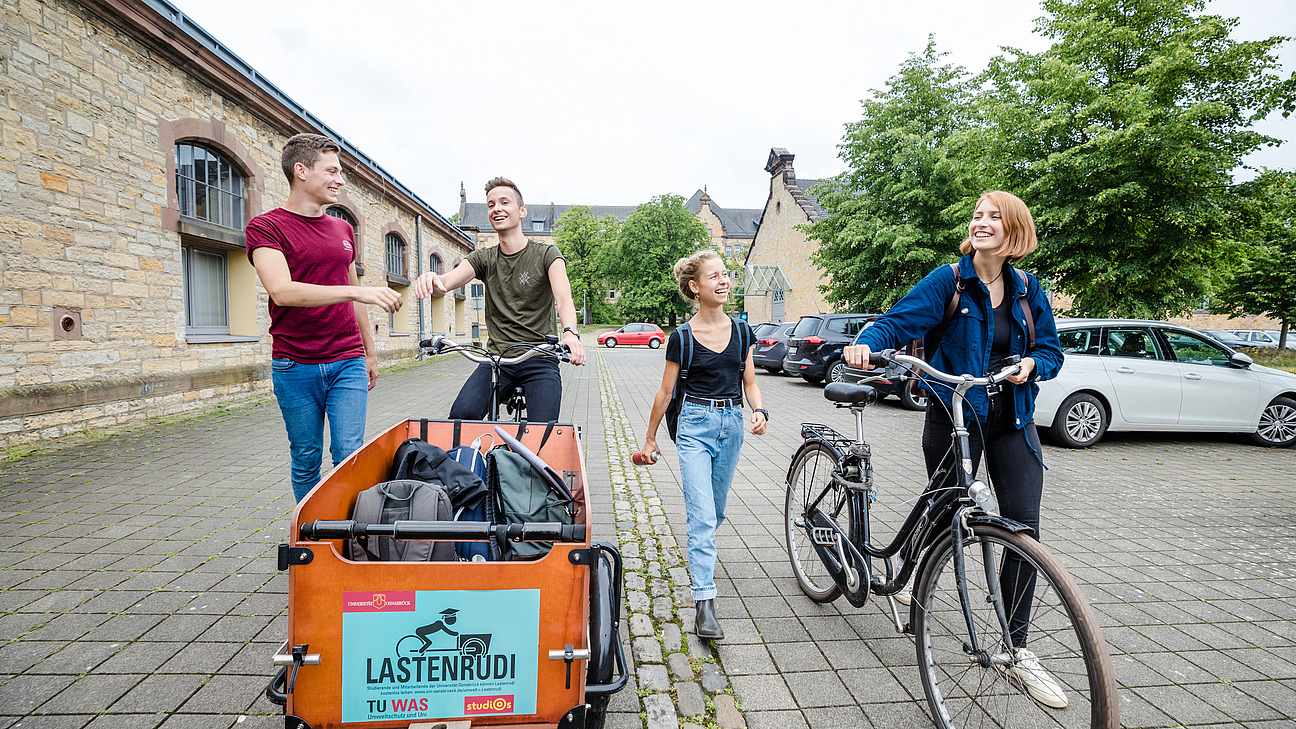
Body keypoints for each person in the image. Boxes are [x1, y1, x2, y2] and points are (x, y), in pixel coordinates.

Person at [843, 190, 1067, 707]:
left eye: (994, 217)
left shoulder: (1029, 288)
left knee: (1024, 529)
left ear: (1015, 230)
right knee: (945, 506)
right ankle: (910, 575)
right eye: (978, 216)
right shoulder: (949, 280)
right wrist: (868, 342)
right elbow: (899, 321)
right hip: (956, 415)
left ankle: (1016, 649)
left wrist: (1032, 366)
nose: (982, 222)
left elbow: (1050, 349)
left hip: (1012, 417)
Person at [247, 133, 403, 501]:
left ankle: (349, 539)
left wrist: (370, 352)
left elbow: (356, 301)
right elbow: (282, 291)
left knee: (350, 454)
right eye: (331, 170)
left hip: (347, 360)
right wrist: (356, 291)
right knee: (305, 458)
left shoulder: (342, 229)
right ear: (301, 171)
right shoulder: (266, 227)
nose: (340, 179)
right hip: (294, 364)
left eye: (341, 172)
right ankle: (311, 537)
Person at [634, 250, 768, 640]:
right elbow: (665, 391)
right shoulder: (682, 338)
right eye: (714, 276)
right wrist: (650, 438)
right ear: (695, 286)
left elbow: (751, 382)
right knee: (702, 516)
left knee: (716, 510)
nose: (723, 281)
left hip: (732, 424)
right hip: (693, 425)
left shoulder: (743, 332)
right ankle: (704, 602)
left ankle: (701, 554)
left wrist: (759, 411)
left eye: (725, 274)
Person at [413, 178, 585, 421]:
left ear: (521, 211)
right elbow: (446, 283)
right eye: (491, 205)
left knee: (545, 430)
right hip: (497, 361)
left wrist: (570, 333)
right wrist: (432, 278)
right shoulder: (484, 258)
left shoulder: (547, 254)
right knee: (461, 415)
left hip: (539, 358)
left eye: (505, 202)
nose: (497, 208)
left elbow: (564, 299)